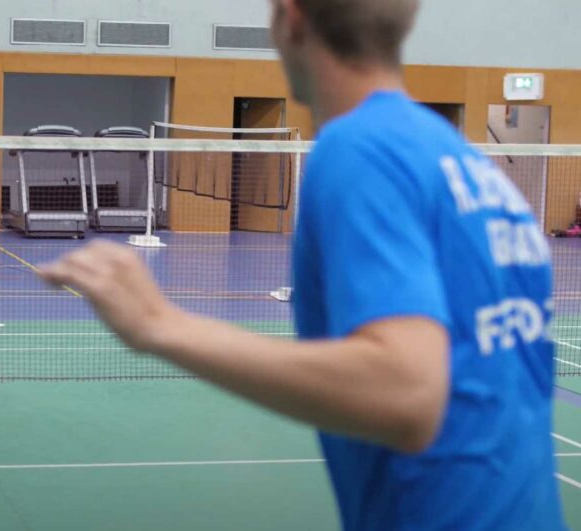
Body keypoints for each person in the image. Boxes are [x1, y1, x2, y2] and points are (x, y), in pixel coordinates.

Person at [38, 0, 566, 529]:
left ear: (290, 19)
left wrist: (159, 324)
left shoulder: (360, 149)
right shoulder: (466, 163)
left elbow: (406, 392)